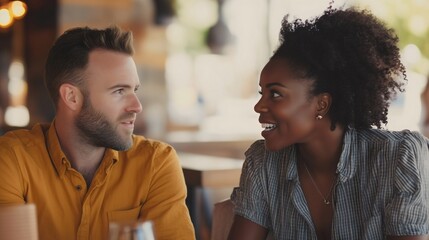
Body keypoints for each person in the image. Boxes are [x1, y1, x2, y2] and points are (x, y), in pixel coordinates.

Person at [228, 7, 429, 240]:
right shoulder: (263, 163)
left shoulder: (398, 157)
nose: (259, 106)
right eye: (261, 93)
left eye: (275, 94)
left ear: (321, 104)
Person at [0, 26, 195, 240]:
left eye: (134, 90)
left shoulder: (156, 163)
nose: (136, 106)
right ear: (72, 97)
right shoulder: (12, 159)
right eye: (119, 91)